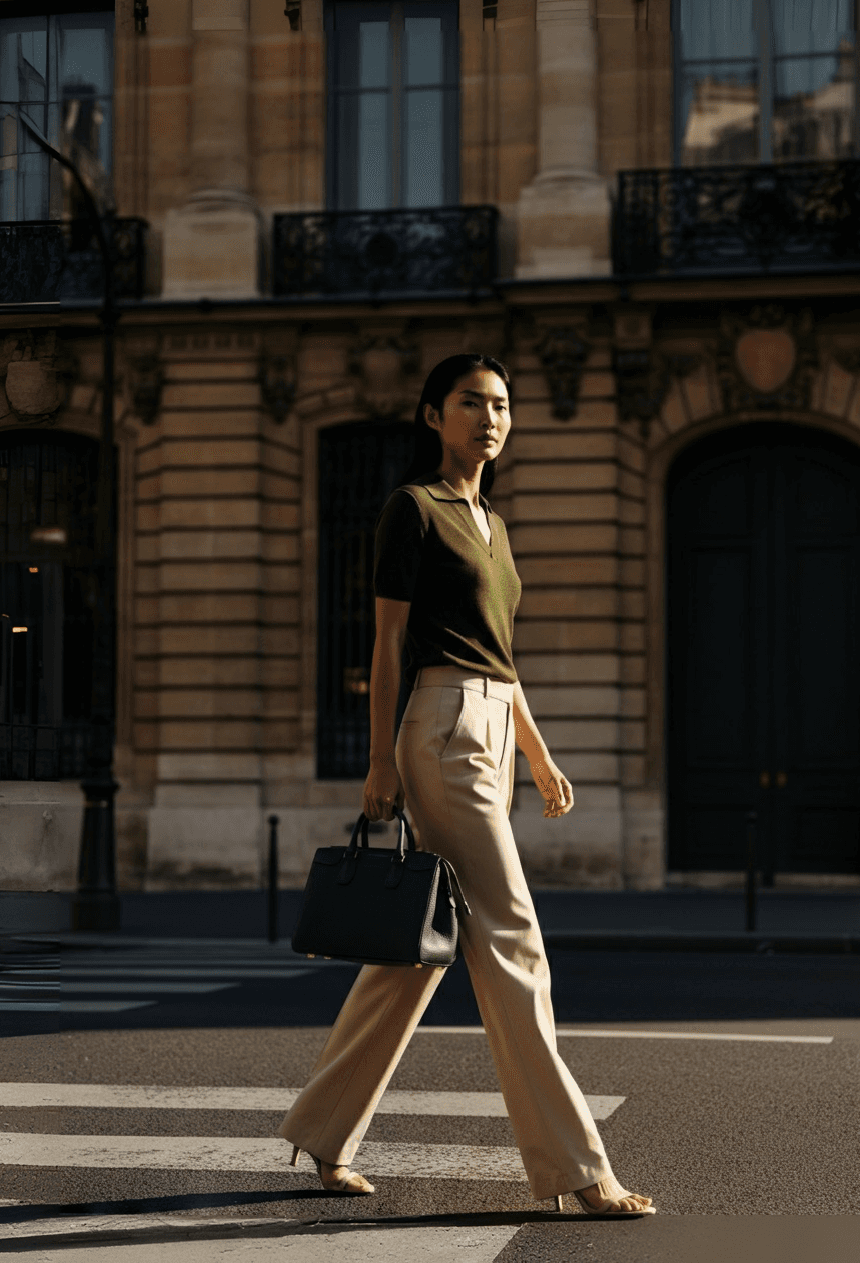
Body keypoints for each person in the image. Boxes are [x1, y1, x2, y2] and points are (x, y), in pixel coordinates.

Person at [276, 354, 655, 1217]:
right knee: (514, 939)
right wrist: (378, 760)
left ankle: (322, 1133)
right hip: (439, 729)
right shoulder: (412, 510)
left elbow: (503, 661)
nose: (489, 418)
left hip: (487, 727)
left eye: (501, 405)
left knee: (413, 956)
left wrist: (538, 752)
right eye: (471, 404)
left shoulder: (494, 521)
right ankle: (578, 1168)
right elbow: (385, 645)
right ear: (432, 415)